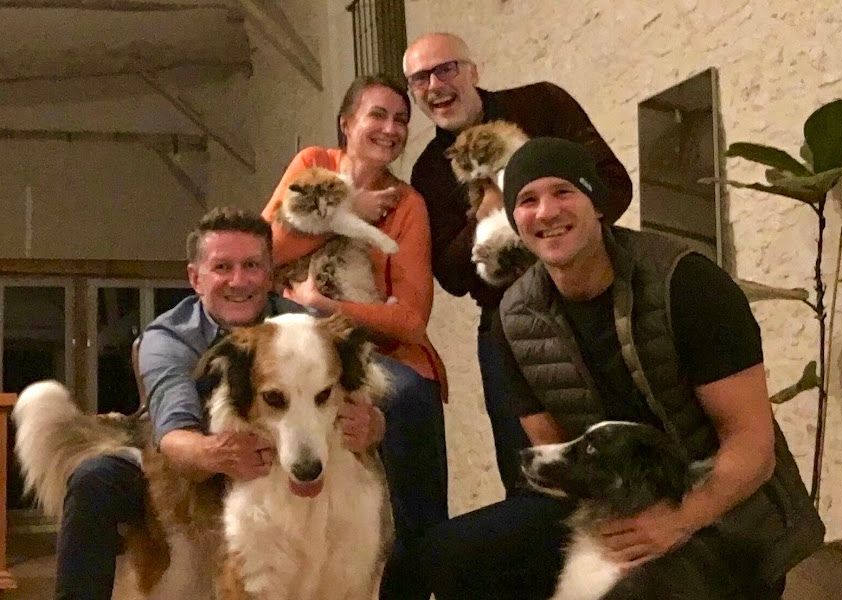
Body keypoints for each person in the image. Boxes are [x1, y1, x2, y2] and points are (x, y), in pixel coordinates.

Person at [418, 138, 825, 599]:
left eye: (564, 192)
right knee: (450, 555)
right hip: (607, 501)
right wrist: (609, 527)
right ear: (515, 220)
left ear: (598, 205)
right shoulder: (514, 319)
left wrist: (678, 519)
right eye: (528, 200)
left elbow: (752, 446)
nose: (546, 212)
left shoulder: (687, 281)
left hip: (720, 510)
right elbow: (554, 451)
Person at [55, 207, 385, 600]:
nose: (239, 280)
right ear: (195, 277)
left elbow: (364, 387)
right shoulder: (168, 338)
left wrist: (372, 423)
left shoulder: (305, 329)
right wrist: (220, 453)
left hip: (267, 457)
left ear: (271, 273)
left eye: (252, 265)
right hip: (173, 453)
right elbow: (173, 436)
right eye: (223, 267)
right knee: (95, 481)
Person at [402, 32, 633, 494]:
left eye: (445, 69)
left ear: (472, 71)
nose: (435, 85)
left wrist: (523, 203)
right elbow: (450, 275)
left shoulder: (543, 104)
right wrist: (485, 207)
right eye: (419, 78)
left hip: (593, 302)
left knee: (624, 453)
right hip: (508, 326)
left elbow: (613, 186)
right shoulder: (428, 170)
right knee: (533, 481)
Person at [260, 74, 448, 600]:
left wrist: (328, 306)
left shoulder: (409, 204)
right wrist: (345, 217)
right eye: (378, 115)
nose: (391, 129)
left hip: (378, 347)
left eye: (401, 119)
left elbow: (411, 321)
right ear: (347, 124)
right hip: (304, 342)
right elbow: (264, 252)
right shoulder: (312, 165)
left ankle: (417, 570)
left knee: (411, 397)